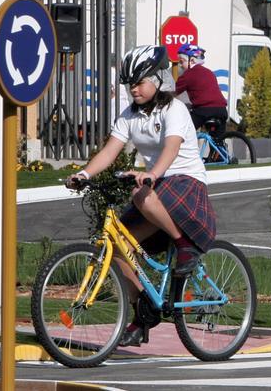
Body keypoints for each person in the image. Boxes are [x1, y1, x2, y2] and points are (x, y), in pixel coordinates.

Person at [64, 45, 215, 347]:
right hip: (158, 187)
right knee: (118, 246)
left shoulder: (174, 109)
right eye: (129, 83)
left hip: (184, 181)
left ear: (159, 79)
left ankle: (185, 245)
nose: (133, 88)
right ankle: (143, 314)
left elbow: (172, 147)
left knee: (140, 195)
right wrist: (84, 174)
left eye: (139, 81)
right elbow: (109, 150)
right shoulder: (129, 116)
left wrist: (152, 174)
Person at [174, 43, 228, 133]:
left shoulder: (188, 74)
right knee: (218, 141)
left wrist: (161, 97)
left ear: (191, 61)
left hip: (204, 111)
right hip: (222, 110)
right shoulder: (209, 72)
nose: (180, 65)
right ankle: (221, 146)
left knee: (183, 133)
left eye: (182, 61)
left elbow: (174, 91)